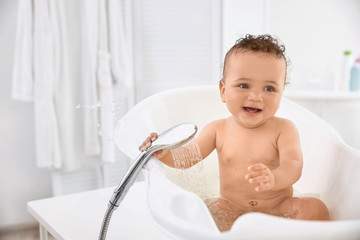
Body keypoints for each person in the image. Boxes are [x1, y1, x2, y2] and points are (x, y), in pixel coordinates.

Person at [139, 34, 330, 232]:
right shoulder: (217, 129)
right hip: (232, 209)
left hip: (278, 209)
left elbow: (293, 166)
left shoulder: (284, 129)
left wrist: (274, 178)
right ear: (223, 90)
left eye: (269, 88)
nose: (256, 96)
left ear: (281, 95)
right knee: (200, 210)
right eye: (243, 85)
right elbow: (189, 157)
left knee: (316, 209)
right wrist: (163, 153)